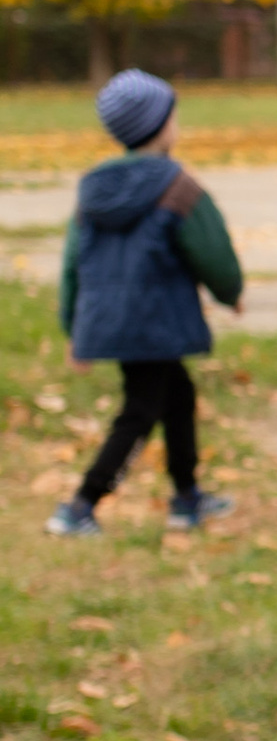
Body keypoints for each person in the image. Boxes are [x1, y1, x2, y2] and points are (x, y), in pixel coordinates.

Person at [49, 71, 244, 538]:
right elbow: (210, 249)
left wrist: (73, 324)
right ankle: (81, 505)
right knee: (140, 411)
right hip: (159, 322)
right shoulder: (177, 186)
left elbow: (73, 261)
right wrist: (230, 291)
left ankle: (186, 497)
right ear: (161, 125)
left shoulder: (93, 189)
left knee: (177, 397)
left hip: (114, 322)